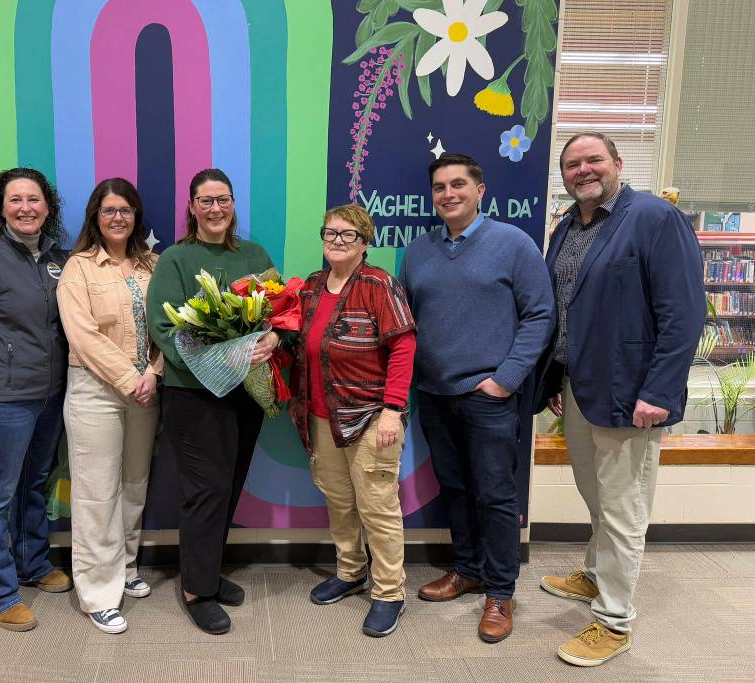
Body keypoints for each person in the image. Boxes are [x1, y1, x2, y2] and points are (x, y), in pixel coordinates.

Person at [534, 132, 705, 667]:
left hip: (631, 393)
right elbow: (566, 307)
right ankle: (596, 573)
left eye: (593, 160)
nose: (582, 170)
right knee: (595, 491)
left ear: (617, 163)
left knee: (624, 505)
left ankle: (613, 621)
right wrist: (555, 380)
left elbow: (684, 314)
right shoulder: (567, 225)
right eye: (572, 164)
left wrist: (657, 391)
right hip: (579, 387)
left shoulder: (655, 219)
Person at [399, 153, 554, 643]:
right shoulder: (418, 251)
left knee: (495, 495)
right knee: (457, 489)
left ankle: (501, 592)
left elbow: (540, 315)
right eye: (440, 187)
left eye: (459, 184)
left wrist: (505, 379)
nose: (449, 194)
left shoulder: (513, 244)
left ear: (480, 189)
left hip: (488, 395)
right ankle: (466, 570)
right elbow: (407, 324)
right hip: (435, 394)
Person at [145, 168, 279, 635]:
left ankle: (209, 570)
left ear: (233, 204)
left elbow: (277, 311)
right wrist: (216, 366)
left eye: (223, 200)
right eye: (206, 201)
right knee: (206, 489)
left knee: (229, 485)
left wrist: (272, 341)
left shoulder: (255, 254)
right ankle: (196, 590)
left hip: (244, 394)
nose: (215, 208)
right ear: (191, 207)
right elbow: (164, 331)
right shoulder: (175, 259)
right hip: (194, 396)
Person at [0, 167, 72, 632]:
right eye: (16, 200)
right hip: (3, 399)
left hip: (50, 396)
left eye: (35, 199)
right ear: (0, 209)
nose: (26, 208)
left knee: (35, 482)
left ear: (48, 206)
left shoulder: (57, 260)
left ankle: (33, 563)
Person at [290, 204, 416, 637]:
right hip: (322, 417)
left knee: (377, 507)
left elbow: (403, 347)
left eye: (348, 235)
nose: (337, 241)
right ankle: (350, 571)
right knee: (339, 502)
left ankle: (389, 592)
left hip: (370, 417)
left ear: (365, 242)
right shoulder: (311, 286)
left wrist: (392, 410)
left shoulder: (380, 285)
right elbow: (292, 337)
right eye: (331, 232)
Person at [57, 178, 162, 634]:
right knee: (98, 492)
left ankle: (126, 567)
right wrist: (129, 378)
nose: (117, 217)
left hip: (147, 390)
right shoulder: (78, 268)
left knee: (134, 483)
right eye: (108, 210)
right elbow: (82, 335)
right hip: (96, 391)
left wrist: (154, 374)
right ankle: (98, 592)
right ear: (95, 217)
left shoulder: (154, 264)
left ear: (137, 215)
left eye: (125, 209)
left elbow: (173, 329)